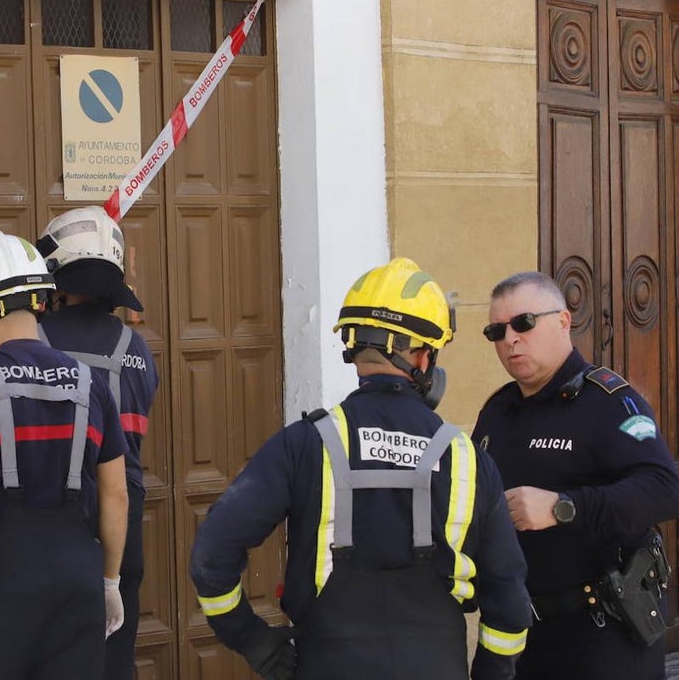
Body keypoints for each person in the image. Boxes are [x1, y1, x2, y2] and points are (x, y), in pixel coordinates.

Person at [190, 257, 531, 680]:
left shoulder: (304, 443)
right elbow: (510, 604)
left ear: (353, 348)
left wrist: (250, 637)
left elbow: (211, 553)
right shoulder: (467, 457)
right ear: (424, 358)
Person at [0, 206, 158, 680]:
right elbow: (118, 479)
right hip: (117, 521)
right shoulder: (138, 350)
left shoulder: (25, 338)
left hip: (47, 516)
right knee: (106, 658)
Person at [472, 271, 679, 680]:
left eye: (524, 323)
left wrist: (563, 507)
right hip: (524, 634)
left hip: (604, 635)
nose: (510, 339)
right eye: (496, 330)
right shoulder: (498, 411)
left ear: (563, 321)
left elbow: (664, 491)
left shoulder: (608, 403)